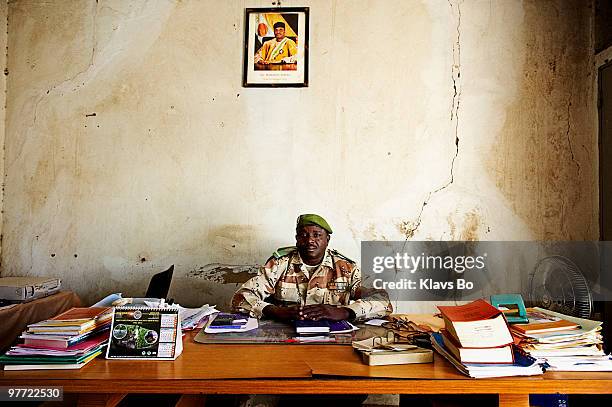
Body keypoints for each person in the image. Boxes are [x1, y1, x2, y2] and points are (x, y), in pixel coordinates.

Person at [231, 214, 392, 322]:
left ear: (327, 240)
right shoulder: (279, 264)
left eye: (317, 235)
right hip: (284, 335)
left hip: (333, 338)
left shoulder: (345, 268)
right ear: (297, 239)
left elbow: (382, 300)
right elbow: (240, 298)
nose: (310, 241)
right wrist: (275, 311)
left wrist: (345, 312)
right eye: (304, 235)